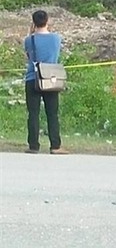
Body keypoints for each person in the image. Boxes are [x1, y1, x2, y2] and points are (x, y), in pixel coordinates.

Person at [24, 10, 68, 155]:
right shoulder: (56, 38)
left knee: (33, 113)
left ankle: (33, 145)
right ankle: (55, 145)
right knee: (52, 113)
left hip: (33, 78)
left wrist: (31, 32)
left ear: (33, 22)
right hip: (51, 78)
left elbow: (29, 56)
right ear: (47, 21)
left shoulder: (29, 40)